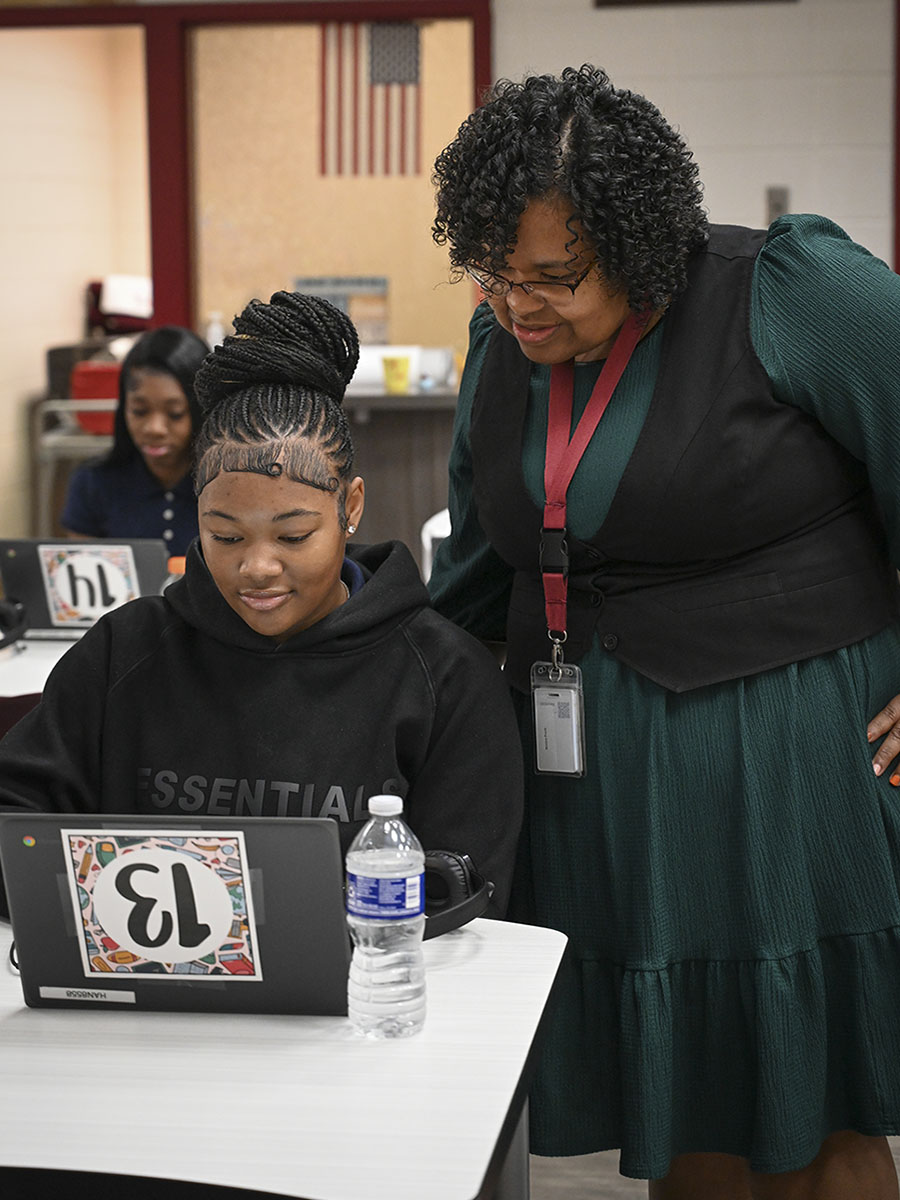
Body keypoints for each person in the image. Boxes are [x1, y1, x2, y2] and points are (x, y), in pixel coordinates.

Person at [428, 63, 900, 1199]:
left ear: (639, 243)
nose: (517, 304)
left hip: (781, 748)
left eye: (555, 277)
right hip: (597, 771)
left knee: (809, 1104)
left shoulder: (785, 289)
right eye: (493, 274)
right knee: (683, 1093)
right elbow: (480, 570)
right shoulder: (506, 344)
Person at [0, 291, 523, 922]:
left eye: (293, 535)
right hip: (154, 1014)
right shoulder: (125, 654)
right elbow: (16, 818)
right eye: (224, 535)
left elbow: (467, 894)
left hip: (362, 1010)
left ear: (350, 508)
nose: (257, 567)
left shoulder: (445, 679)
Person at [61, 325, 209, 556]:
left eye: (175, 413)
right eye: (140, 411)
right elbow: (81, 573)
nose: (154, 429)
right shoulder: (93, 483)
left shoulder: (224, 486)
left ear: (201, 410)